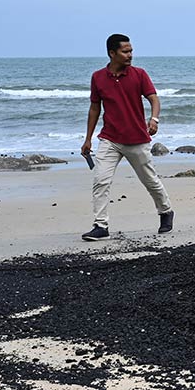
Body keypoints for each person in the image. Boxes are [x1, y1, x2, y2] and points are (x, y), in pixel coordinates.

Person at [81, 34, 174, 241]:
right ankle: (100, 225)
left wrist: (154, 119)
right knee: (100, 181)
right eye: (125, 51)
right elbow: (95, 108)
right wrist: (87, 139)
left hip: (137, 139)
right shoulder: (98, 77)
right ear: (112, 53)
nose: (130, 55)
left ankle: (166, 212)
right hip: (110, 139)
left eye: (131, 51)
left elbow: (154, 98)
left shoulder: (139, 74)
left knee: (150, 181)